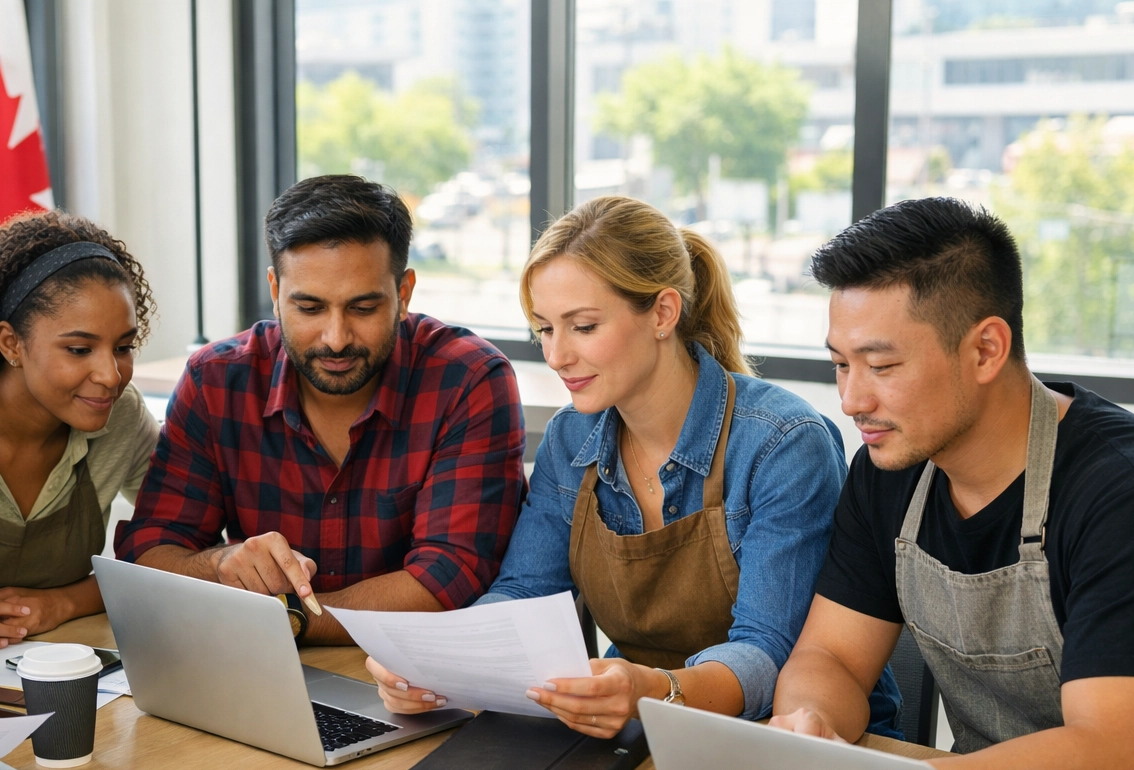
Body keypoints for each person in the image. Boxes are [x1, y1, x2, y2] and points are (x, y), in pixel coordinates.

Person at [368, 195, 903, 738]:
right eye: (545, 329)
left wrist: (652, 690)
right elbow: (524, 594)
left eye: (582, 327)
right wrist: (436, 661)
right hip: (639, 727)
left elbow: (766, 652)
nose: (555, 357)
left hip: (785, 742)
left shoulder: (782, 445)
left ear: (663, 313)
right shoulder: (570, 437)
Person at [770, 197, 1134, 770]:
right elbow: (830, 657)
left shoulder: (1115, 491)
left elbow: (1113, 757)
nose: (853, 399)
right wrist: (811, 725)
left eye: (882, 366)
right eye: (839, 364)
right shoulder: (890, 468)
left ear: (987, 349)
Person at [114, 175, 527, 643]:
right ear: (275, 290)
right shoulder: (216, 381)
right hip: (265, 671)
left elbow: (448, 579)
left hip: (415, 679)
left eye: (363, 308)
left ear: (404, 293)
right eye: (309, 308)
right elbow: (149, 554)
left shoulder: (468, 380)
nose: (336, 338)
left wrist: (283, 618)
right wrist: (219, 564)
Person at [0, 212, 161, 650]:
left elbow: (177, 551)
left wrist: (64, 602)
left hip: (68, 663)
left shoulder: (122, 416)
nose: (110, 375)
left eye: (123, 347)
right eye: (79, 349)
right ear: (11, 344)